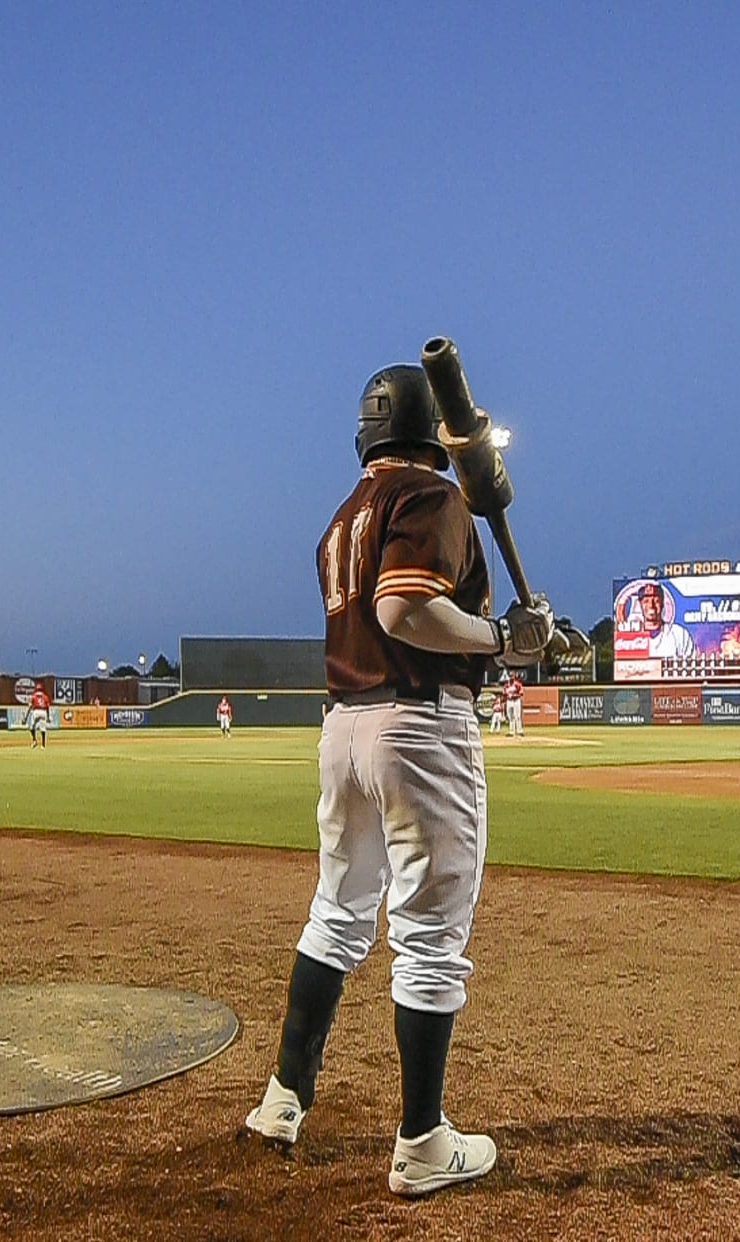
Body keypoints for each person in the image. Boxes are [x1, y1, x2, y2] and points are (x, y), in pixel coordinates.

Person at [243, 362, 551, 1197]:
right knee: (430, 934)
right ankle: (422, 1143)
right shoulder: (433, 496)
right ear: (431, 434)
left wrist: (502, 634)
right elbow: (404, 609)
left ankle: (282, 1099)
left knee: (338, 913)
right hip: (418, 722)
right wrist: (503, 640)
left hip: (343, 726)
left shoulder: (344, 515)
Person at [633, 583, 695, 662]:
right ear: (640, 605)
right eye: (646, 601)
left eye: (656, 601)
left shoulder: (679, 633)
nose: (651, 605)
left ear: (662, 604)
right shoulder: (630, 638)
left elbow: (693, 664)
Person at [501, 670, 525, 738]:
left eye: (512, 676)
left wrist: (514, 695)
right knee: (510, 716)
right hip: (509, 701)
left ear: (514, 676)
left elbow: (521, 693)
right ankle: (511, 731)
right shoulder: (506, 685)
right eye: (510, 676)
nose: (511, 677)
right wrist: (506, 695)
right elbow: (504, 692)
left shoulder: (518, 684)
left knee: (517, 716)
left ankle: (519, 731)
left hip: (516, 700)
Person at [27, 683, 51, 748]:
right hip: (43, 711)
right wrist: (48, 717)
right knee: (43, 729)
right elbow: (47, 707)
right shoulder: (45, 696)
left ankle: (34, 740)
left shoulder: (34, 696)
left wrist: (26, 717)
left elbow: (30, 706)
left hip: (36, 711)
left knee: (32, 727)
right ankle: (43, 745)